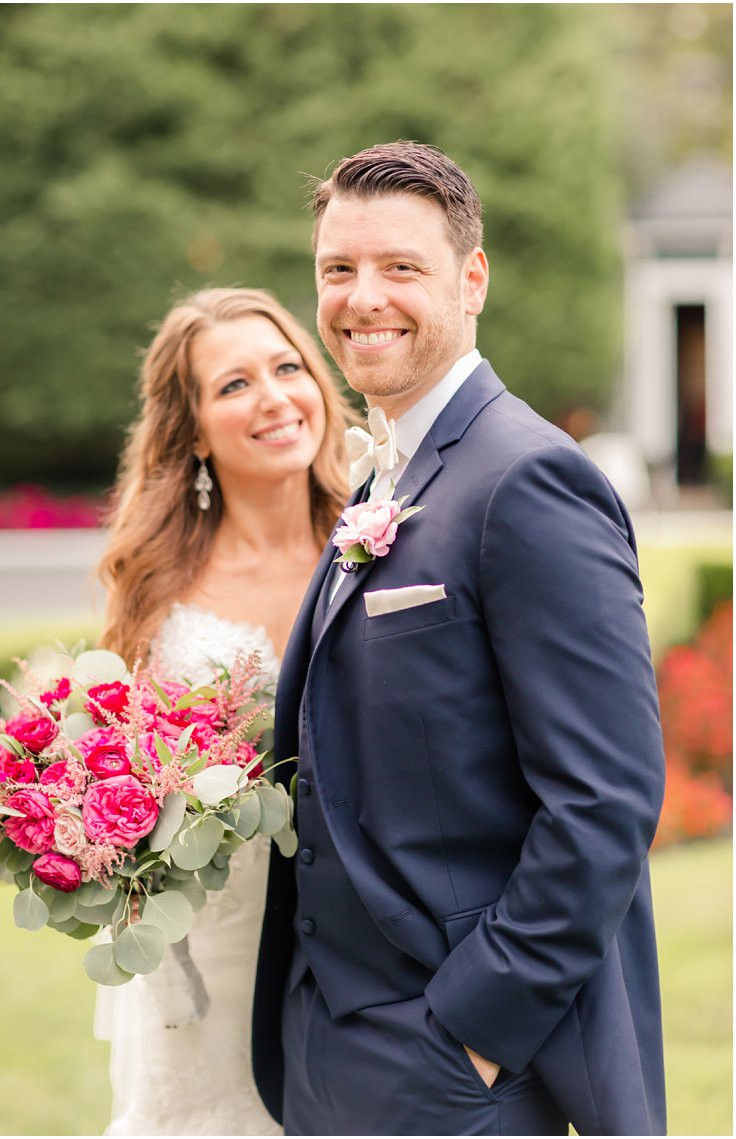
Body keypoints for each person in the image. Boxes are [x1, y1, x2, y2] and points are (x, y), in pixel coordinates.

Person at [251, 141, 665, 1135]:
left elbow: (603, 796)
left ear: (470, 280)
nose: (360, 297)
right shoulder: (381, 475)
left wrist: (471, 1030)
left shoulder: (526, 477)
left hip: (445, 1061)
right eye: (336, 269)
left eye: (400, 267)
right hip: (323, 1039)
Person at [93, 287, 356, 1134]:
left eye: (287, 368)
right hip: (212, 941)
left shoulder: (381, 542)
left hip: (366, 936)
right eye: (234, 385)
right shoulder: (159, 586)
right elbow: (115, 764)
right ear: (196, 428)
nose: (275, 398)